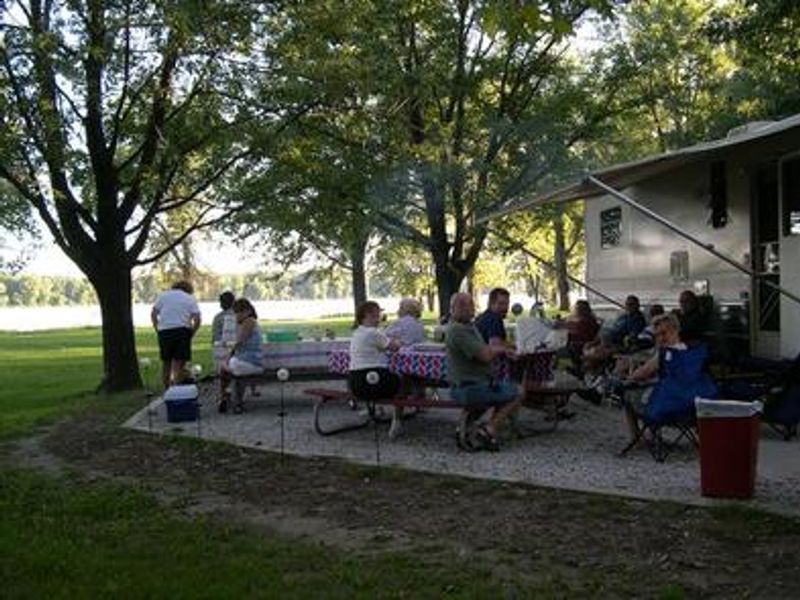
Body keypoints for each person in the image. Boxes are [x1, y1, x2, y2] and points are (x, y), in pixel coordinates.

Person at [619, 313, 716, 442]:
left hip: (668, 407)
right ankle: (652, 434)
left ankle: (636, 436)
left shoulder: (665, 354)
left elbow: (641, 374)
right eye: (657, 335)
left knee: (628, 394)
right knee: (654, 391)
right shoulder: (694, 352)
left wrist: (627, 378)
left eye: (664, 333)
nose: (660, 338)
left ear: (676, 330)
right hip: (694, 406)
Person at [445, 292, 522, 451]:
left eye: (472, 305)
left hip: (472, 384)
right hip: (468, 388)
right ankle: (488, 430)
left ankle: (465, 429)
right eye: (469, 305)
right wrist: (502, 350)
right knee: (518, 391)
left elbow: (485, 348)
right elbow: (486, 355)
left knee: (498, 390)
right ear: (457, 308)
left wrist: (501, 350)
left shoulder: (468, 326)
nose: (472, 309)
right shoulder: (458, 330)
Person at [151, 280, 201, 389]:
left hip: (165, 331)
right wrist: (192, 332)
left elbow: (154, 313)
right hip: (182, 331)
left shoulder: (163, 296)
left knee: (166, 363)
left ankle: (167, 389)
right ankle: (178, 389)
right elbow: (197, 319)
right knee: (179, 363)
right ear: (188, 289)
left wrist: (157, 328)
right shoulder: (189, 298)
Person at [349, 301, 402, 402]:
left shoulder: (357, 332)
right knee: (403, 379)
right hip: (373, 381)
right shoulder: (373, 333)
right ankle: (400, 412)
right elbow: (394, 347)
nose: (379, 318)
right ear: (368, 315)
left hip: (356, 381)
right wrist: (397, 339)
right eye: (377, 314)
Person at [218, 298, 264, 413]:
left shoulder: (249, 322)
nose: (236, 316)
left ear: (247, 311)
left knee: (224, 366)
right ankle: (229, 398)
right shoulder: (247, 322)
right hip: (247, 360)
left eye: (238, 312)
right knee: (227, 369)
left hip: (250, 362)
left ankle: (226, 397)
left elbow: (239, 342)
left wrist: (228, 357)